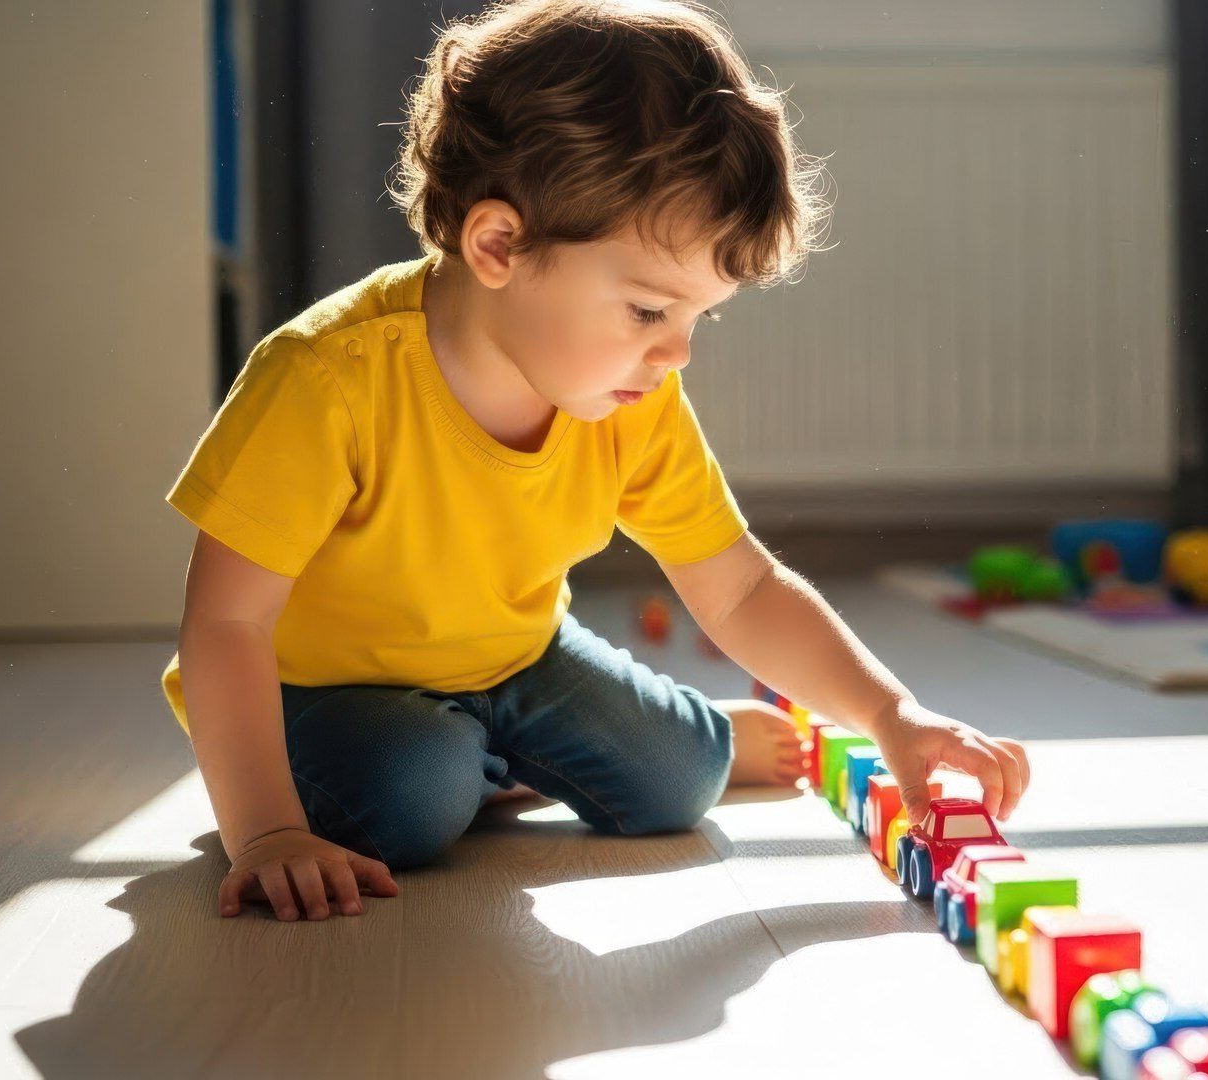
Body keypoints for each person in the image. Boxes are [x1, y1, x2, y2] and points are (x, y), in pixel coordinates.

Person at [164, 0, 1030, 922]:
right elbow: (225, 627)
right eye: (651, 312)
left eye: (700, 317)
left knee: (678, 783)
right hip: (327, 690)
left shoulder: (631, 398)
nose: (677, 355)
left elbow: (737, 589)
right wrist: (265, 831)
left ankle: (547, 754)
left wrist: (892, 714)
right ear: (498, 245)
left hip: (516, 659)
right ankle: (474, 766)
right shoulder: (327, 379)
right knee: (405, 802)